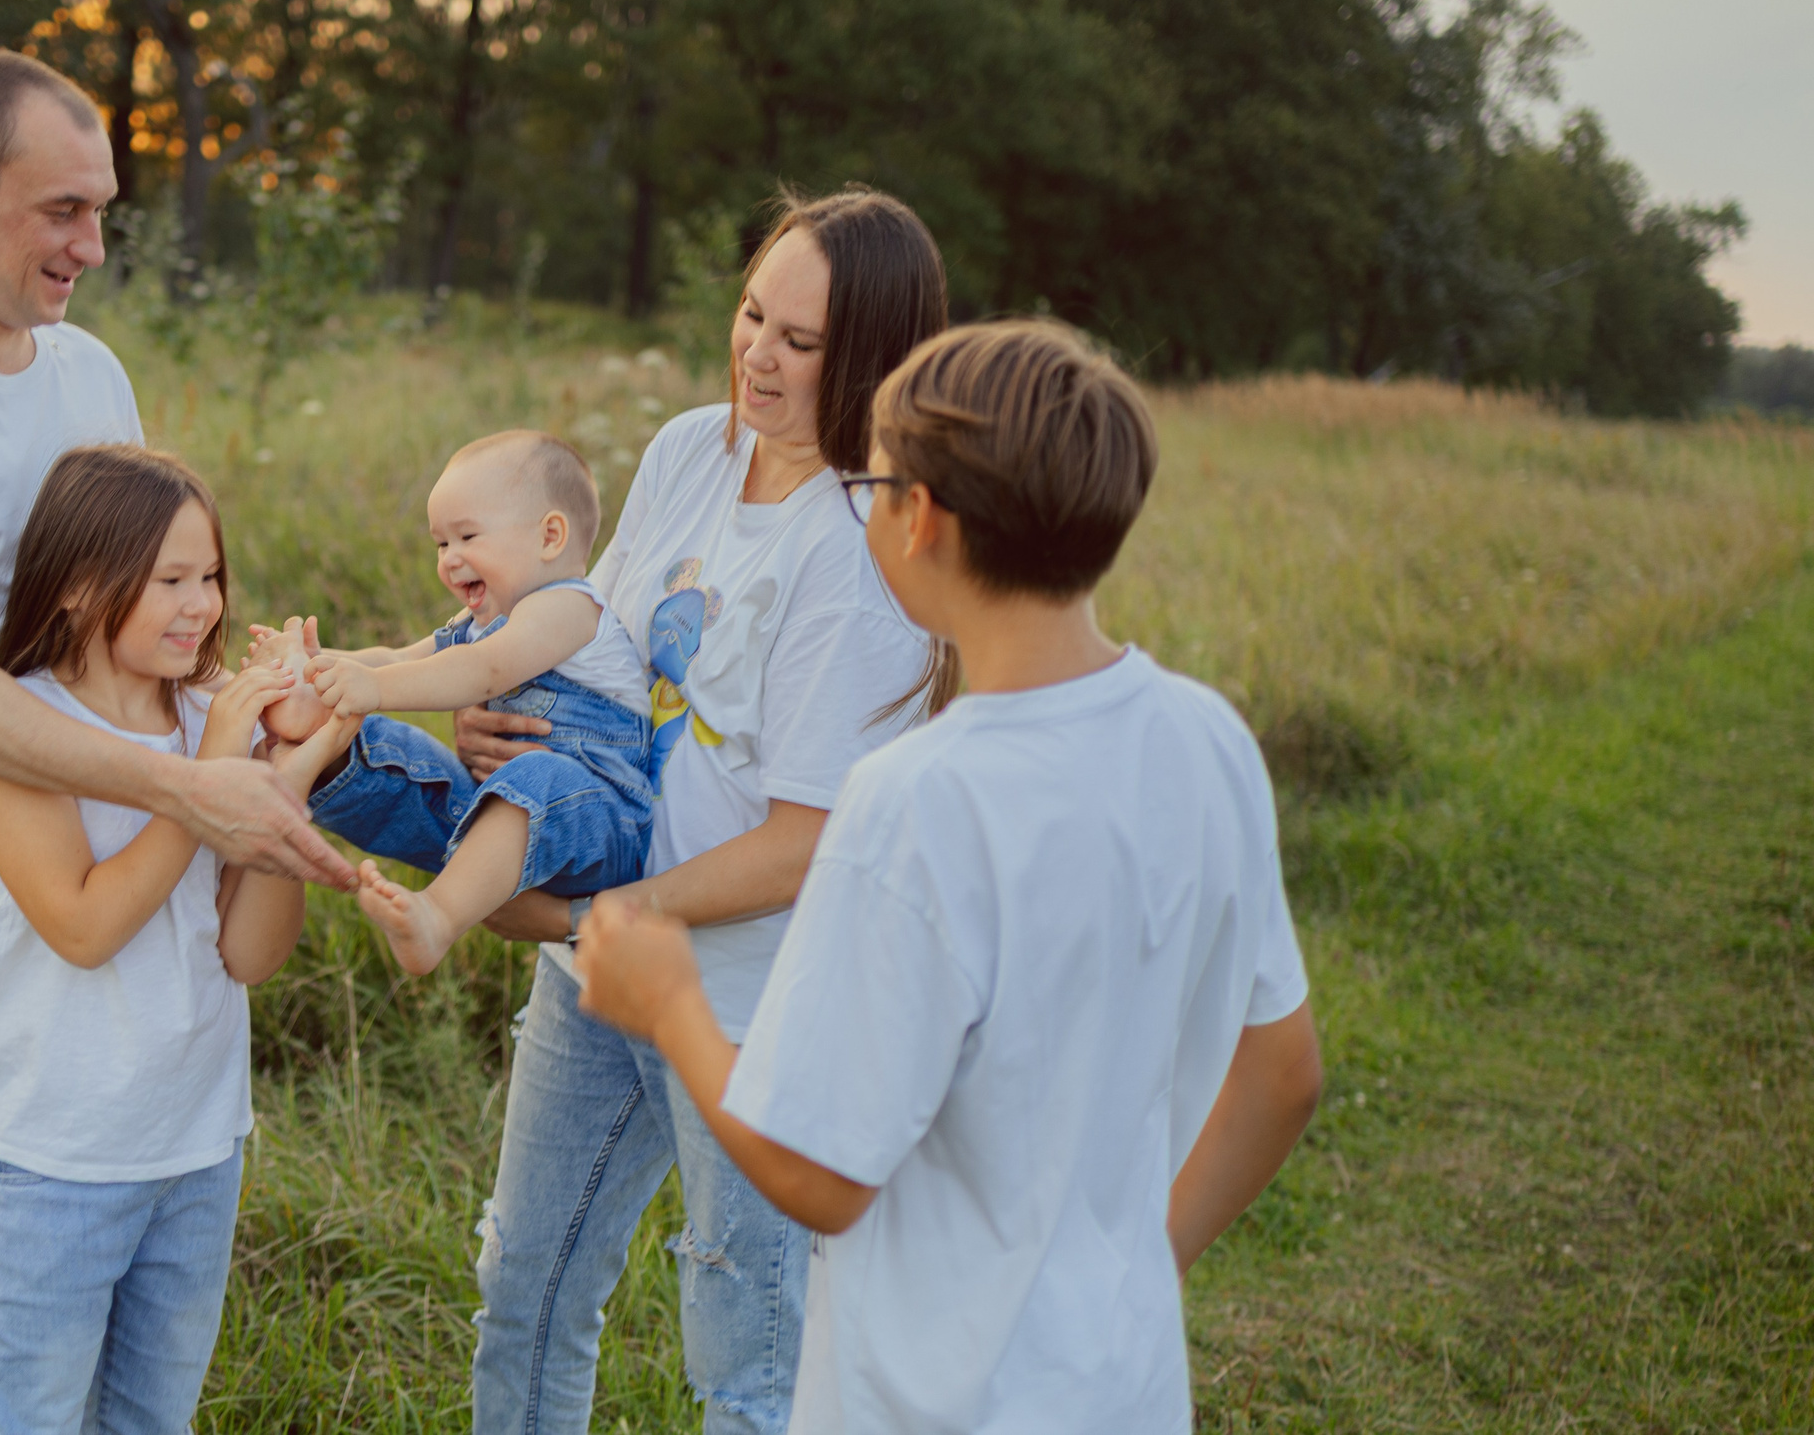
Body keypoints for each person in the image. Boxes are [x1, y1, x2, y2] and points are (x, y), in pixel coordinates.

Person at [574, 319, 1326, 1431]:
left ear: (917, 517)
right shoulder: (1205, 735)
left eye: (873, 482)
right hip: (1121, 1385)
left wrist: (672, 1005)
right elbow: (1282, 1074)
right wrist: (1131, 1273)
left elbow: (821, 1173)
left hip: (927, 1400)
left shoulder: (918, 798)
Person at [0, 50, 349, 1435]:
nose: (91, 247)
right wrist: (187, 787)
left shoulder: (90, 369)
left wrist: (298, 710)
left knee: (62, 1245)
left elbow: (147, 599)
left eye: (102, 211)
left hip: (114, 835)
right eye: (61, 212)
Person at [456, 189, 953, 1435]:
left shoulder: (863, 545)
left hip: (757, 1005)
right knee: (524, 1281)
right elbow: (602, 666)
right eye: (750, 315)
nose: (757, 354)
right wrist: (501, 715)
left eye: (801, 341)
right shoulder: (690, 449)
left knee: (748, 1353)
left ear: (876, 359)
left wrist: (600, 910)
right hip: (600, 970)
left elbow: (807, 836)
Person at [0, 446, 353, 1435]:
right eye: (169, 579)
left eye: (208, 576)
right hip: (57, 1152)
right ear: (78, 583)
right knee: (15, 1418)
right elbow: (83, 925)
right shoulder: (16, 724)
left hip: (198, 1141)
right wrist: (208, 780)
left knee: (150, 1419)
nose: (200, 605)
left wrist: (282, 777)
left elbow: (249, 953)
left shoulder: (212, 714)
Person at [255, 429, 654, 976]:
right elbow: (397, 659)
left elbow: (481, 670)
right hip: (504, 817)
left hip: (601, 826)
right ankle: (314, 738)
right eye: (442, 544)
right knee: (410, 758)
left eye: (467, 536)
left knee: (538, 778)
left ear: (551, 536)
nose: (450, 559)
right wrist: (319, 665)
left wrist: (374, 690)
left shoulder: (569, 609)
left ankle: (438, 918)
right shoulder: (478, 623)